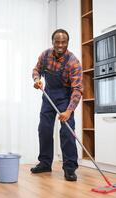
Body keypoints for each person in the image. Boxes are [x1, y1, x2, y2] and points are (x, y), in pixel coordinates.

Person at [31, 29, 83, 181]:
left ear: (67, 42)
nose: (60, 45)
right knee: (44, 129)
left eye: (63, 42)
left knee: (67, 132)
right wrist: (36, 80)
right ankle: (45, 163)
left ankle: (70, 168)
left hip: (65, 98)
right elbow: (36, 69)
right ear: (53, 42)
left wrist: (68, 111)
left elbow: (77, 89)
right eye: (57, 42)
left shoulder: (73, 62)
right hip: (48, 96)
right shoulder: (45, 55)